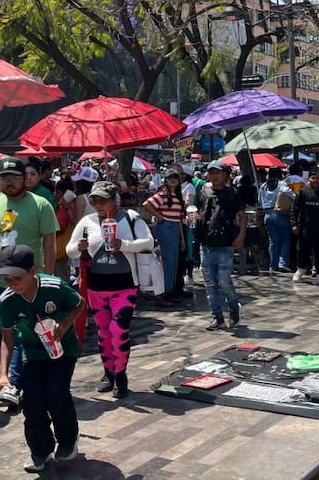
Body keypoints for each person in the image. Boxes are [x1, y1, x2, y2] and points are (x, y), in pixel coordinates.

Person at [0, 156, 58, 408]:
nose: (9, 182)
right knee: (12, 333)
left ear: (25, 178)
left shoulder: (40, 204)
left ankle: (12, 384)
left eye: (14, 177)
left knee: (17, 333)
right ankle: (23, 380)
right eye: (4, 178)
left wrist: (48, 276)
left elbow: (50, 241)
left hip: (30, 283)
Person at [0, 244, 87, 473]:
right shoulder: (7, 301)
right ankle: (40, 450)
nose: (12, 284)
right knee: (32, 400)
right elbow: (7, 338)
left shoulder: (54, 287)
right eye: (7, 279)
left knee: (56, 393)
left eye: (17, 278)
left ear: (32, 271)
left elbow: (80, 303)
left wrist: (64, 325)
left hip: (64, 350)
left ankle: (68, 441)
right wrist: (3, 375)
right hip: (32, 353)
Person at [67, 180, 153, 398]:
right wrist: (79, 247)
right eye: (94, 200)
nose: (98, 204)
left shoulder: (130, 218)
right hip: (96, 288)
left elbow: (148, 242)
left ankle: (121, 373)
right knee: (103, 333)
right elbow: (70, 250)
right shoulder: (87, 222)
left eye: (103, 199)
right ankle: (109, 372)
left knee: (118, 330)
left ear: (114, 199)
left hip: (124, 286)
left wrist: (123, 245)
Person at [195, 161, 245, 331]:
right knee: (210, 284)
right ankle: (217, 317)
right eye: (211, 173)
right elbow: (197, 210)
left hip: (225, 244)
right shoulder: (203, 191)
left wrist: (241, 235)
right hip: (206, 244)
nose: (214, 176)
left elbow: (242, 215)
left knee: (224, 281)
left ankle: (233, 307)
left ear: (225, 174)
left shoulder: (233, 193)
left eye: (217, 172)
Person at [143, 167, 185, 303]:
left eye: (175, 177)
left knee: (173, 262)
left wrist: (182, 239)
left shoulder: (177, 197)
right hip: (166, 227)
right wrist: (159, 217)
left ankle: (170, 291)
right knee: (167, 262)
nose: (173, 180)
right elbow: (147, 204)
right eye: (170, 177)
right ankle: (166, 292)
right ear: (165, 180)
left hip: (174, 229)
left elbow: (179, 219)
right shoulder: (162, 195)